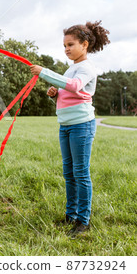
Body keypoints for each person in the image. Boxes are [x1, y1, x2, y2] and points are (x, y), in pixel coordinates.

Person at [30, 21, 110, 237]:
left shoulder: (86, 67)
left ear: (84, 45)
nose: (66, 49)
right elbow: (69, 91)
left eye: (70, 44)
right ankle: (70, 215)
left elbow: (74, 86)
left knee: (80, 173)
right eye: (64, 45)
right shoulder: (71, 68)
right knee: (69, 172)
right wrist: (56, 94)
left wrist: (44, 72)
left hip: (81, 126)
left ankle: (83, 221)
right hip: (65, 126)